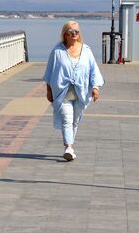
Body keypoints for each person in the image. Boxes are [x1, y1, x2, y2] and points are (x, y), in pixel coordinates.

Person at [43, 20, 104, 161]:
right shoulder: (57, 51)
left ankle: (70, 146)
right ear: (65, 34)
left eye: (76, 31)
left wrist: (95, 88)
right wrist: (48, 90)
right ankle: (68, 147)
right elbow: (49, 72)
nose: (74, 34)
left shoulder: (86, 50)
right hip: (62, 93)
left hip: (81, 93)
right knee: (67, 120)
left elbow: (93, 71)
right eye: (71, 32)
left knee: (75, 121)